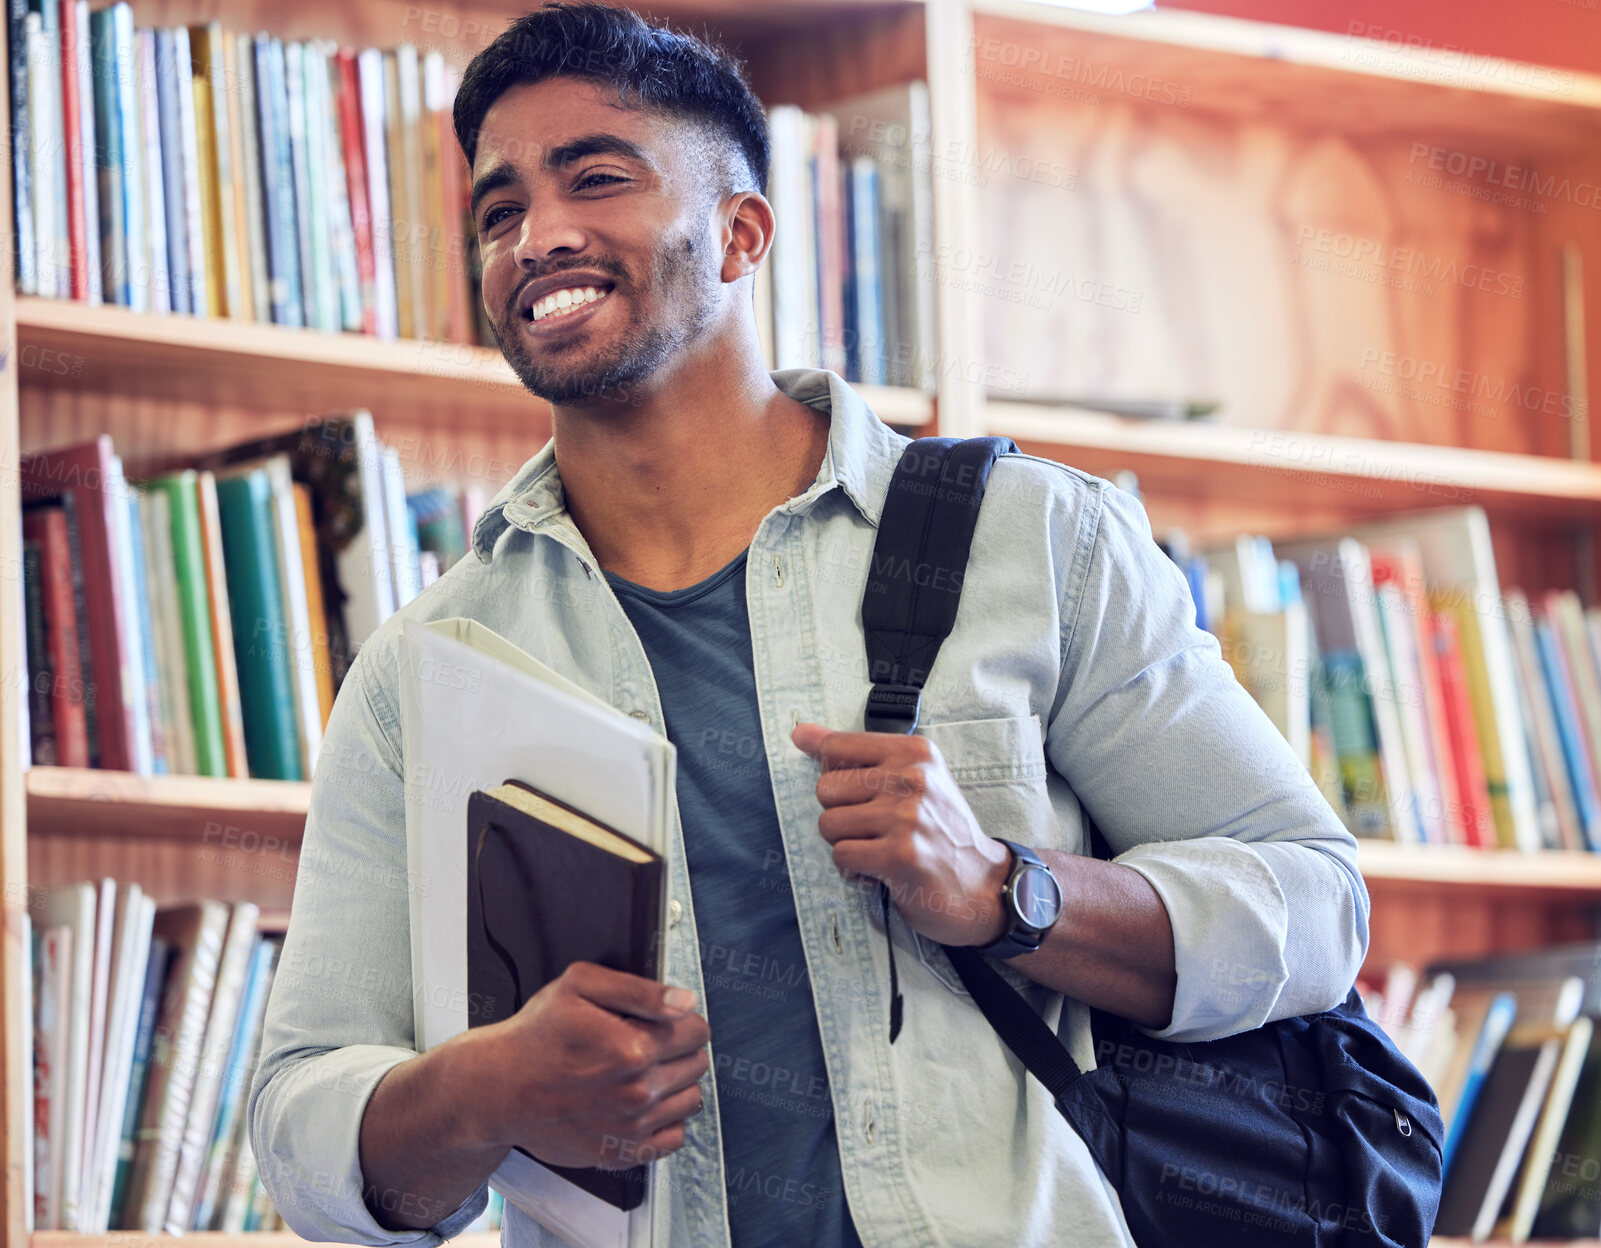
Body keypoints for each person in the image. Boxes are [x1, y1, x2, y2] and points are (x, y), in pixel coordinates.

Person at [247, 5, 1368, 1246]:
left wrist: (1007, 890)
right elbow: (300, 1129)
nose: (535, 236)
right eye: (498, 211)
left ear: (740, 235)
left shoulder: (1036, 540)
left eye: (596, 179)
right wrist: (486, 1086)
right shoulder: (430, 668)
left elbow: (1312, 908)